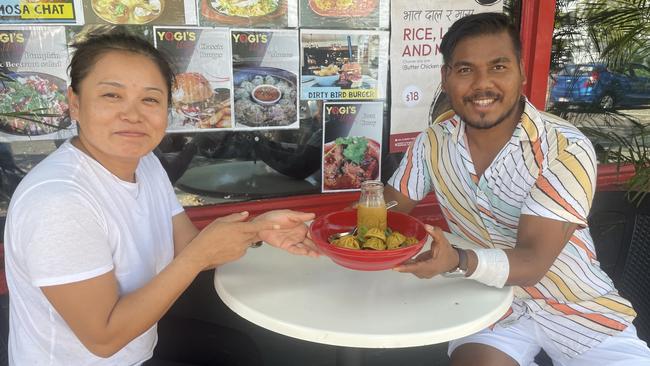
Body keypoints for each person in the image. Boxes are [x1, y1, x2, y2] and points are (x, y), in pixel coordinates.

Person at [3, 31, 318, 365]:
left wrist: (258, 230)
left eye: (150, 100)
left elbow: (188, 247)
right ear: (75, 103)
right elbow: (103, 338)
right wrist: (197, 257)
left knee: (237, 350)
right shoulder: (59, 202)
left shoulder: (145, 163)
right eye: (112, 95)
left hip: (140, 352)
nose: (133, 115)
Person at [385, 12, 650, 366]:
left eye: (498, 67)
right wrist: (349, 223)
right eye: (465, 70)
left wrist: (457, 260)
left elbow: (531, 263)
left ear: (522, 72)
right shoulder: (432, 142)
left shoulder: (563, 147)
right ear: (446, 78)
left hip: (577, 304)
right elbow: (386, 209)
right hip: (488, 305)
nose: (482, 84)